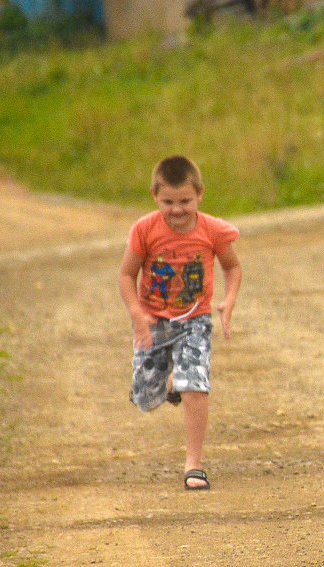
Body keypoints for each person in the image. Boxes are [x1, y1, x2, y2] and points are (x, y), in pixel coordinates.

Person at [118, 155, 242, 490]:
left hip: (195, 320)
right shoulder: (144, 230)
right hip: (155, 322)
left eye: (185, 201)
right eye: (168, 202)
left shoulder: (212, 230)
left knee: (196, 386)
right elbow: (127, 274)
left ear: (200, 194)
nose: (177, 210)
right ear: (154, 196)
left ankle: (193, 465)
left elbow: (232, 267)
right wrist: (136, 314)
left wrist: (228, 302)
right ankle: (171, 384)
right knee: (146, 398)